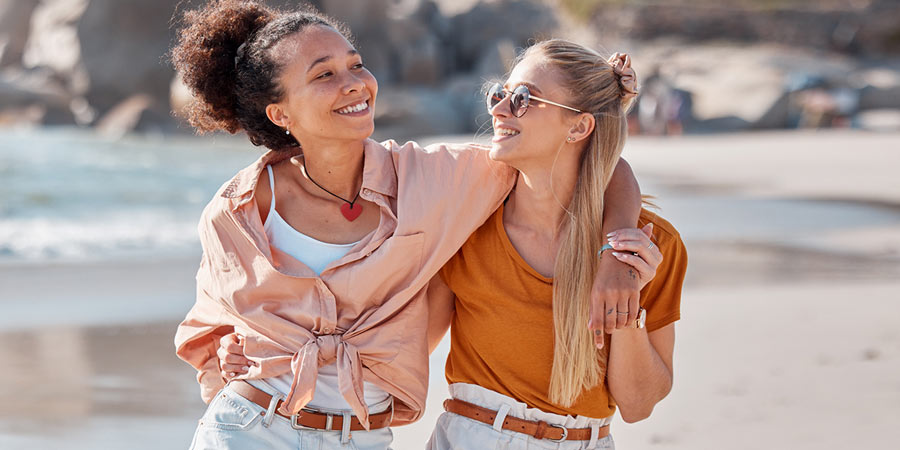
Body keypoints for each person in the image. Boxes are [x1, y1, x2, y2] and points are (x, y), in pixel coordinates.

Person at [171, 1, 645, 449]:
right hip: (251, 427)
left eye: (356, 65)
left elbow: (591, 161)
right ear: (281, 114)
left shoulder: (435, 179)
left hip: (363, 436)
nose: (354, 83)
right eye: (324, 75)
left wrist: (616, 254)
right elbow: (209, 331)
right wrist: (224, 354)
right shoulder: (237, 211)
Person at [425, 40, 688, 449]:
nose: (499, 109)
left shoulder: (649, 246)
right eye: (500, 94)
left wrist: (628, 304)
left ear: (580, 126)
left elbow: (637, 406)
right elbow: (414, 345)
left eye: (524, 98)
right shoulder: (467, 225)